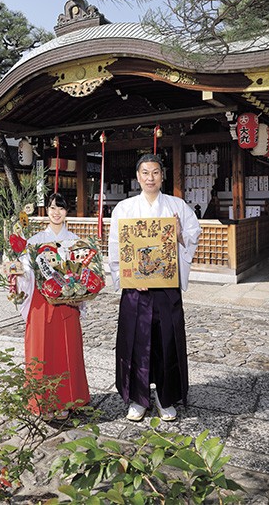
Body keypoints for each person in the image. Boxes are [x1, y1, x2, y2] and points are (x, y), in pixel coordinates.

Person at [108, 154, 201, 422]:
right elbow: (116, 248)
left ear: (163, 176)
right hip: (137, 291)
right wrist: (131, 277)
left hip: (165, 289)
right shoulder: (124, 209)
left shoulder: (177, 205)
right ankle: (138, 398)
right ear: (138, 177)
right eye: (145, 173)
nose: (150, 178)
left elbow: (192, 236)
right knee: (135, 343)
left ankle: (165, 396)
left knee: (167, 342)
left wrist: (180, 231)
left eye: (156, 172)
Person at [16, 192, 90, 420]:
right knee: (41, 351)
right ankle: (42, 402)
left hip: (66, 301)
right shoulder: (35, 241)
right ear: (46, 211)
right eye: (52, 207)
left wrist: (80, 293)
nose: (56, 212)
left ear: (68, 211)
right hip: (41, 302)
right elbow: (26, 273)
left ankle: (66, 400)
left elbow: (84, 272)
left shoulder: (75, 241)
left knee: (66, 350)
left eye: (61, 207)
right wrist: (15, 268)